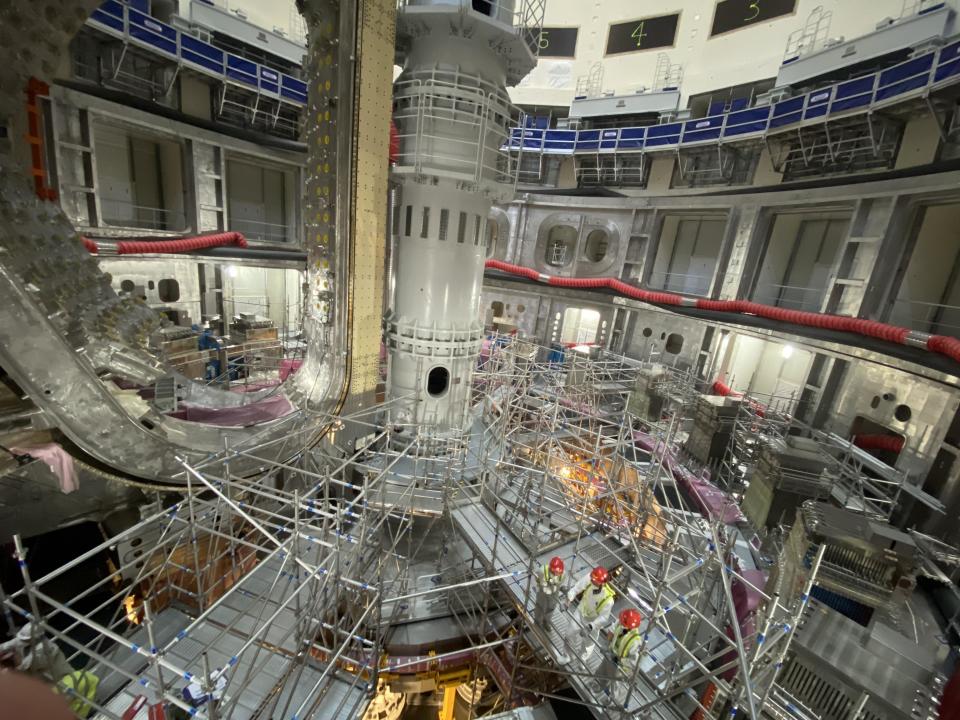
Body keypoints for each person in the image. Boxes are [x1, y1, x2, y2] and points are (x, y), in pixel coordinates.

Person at [566, 566, 616, 660]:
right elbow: (577, 587)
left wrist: (591, 626)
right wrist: (568, 600)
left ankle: (582, 658)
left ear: (602, 583)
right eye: (592, 577)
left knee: (588, 643)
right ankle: (568, 655)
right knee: (569, 634)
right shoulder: (591, 577)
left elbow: (603, 618)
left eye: (595, 579)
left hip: (593, 621)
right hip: (581, 611)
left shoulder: (608, 600)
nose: (592, 579)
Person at [534, 556, 570, 663]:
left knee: (551, 608)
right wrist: (551, 587)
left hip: (554, 592)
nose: (557, 574)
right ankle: (537, 621)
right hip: (543, 591)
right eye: (555, 572)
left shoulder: (563, 573)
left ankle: (546, 622)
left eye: (558, 572)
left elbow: (560, 583)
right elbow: (543, 586)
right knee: (540, 606)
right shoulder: (542, 571)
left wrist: (562, 588)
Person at [606, 608, 643, 707]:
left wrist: (620, 660)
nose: (621, 623)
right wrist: (609, 636)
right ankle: (597, 689)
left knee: (615, 685)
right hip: (611, 656)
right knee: (603, 673)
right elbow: (614, 628)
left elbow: (634, 662)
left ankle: (612, 701)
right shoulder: (622, 622)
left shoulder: (636, 641)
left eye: (623, 623)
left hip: (621, 667)